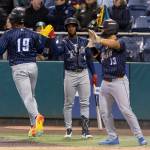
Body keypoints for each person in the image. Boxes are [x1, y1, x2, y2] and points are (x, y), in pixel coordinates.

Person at [88, 19, 147, 145]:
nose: (102, 30)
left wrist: (98, 39)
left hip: (119, 82)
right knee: (105, 112)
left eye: (104, 28)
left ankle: (140, 136)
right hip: (105, 82)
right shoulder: (105, 46)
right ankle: (112, 136)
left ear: (110, 29)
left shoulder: (121, 42)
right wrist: (92, 47)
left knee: (126, 110)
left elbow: (115, 45)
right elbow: (101, 59)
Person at [0, 7, 45, 137]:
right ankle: (34, 127)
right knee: (31, 97)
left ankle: (37, 117)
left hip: (19, 68)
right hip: (33, 66)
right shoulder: (33, 33)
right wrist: (42, 37)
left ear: (14, 20)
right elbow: (41, 50)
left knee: (27, 98)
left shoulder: (8, 34)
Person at [54, 17, 97, 138]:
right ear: (66, 28)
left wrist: (93, 73)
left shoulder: (84, 41)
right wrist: (51, 40)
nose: (71, 27)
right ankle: (68, 129)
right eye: (69, 26)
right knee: (68, 103)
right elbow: (56, 53)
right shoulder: (63, 42)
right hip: (70, 74)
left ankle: (85, 131)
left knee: (85, 103)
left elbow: (89, 58)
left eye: (73, 25)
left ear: (76, 27)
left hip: (83, 73)